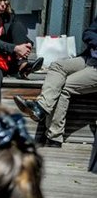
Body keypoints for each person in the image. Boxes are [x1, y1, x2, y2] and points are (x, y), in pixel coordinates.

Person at [14, 13, 97, 147]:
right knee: (57, 66)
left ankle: (54, 137)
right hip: (90, 58)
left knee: (65, 86)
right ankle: (41, 107)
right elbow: (88, 33)